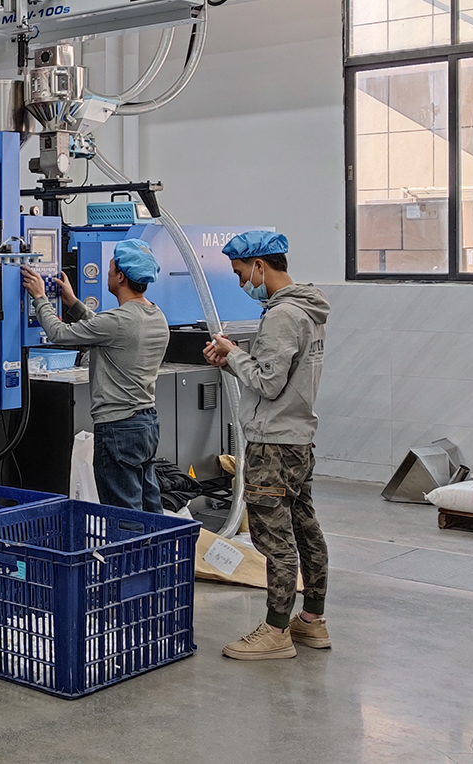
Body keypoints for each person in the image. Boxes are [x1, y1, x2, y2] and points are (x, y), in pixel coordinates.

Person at [203, 230, 332, 662]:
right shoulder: (309, 309)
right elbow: (281, 374)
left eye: (241, 273)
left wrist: (232, 354)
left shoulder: (282, 315)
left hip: (272, 445)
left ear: (260, 265)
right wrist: (235, 358)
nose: (242, 282)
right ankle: (311, 619)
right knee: (305, 528)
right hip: (298, 440)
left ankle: (276, 630)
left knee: (274, 539)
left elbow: (268, 383)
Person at [23, 239, 170, 513]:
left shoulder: (118, 320)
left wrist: (40, 297)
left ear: (120, 277)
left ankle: (127, 544)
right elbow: (106, 329)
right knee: (151, 510)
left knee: (122, 514)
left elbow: (59, 333)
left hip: (118, 428)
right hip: (146, 425)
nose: (108, 273)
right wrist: (73, 303)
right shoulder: (155, 314)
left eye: (110, 268)